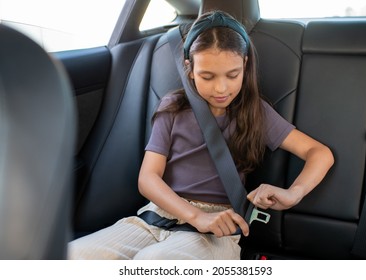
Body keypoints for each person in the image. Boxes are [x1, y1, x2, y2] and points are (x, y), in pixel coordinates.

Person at [68, 10, 334, 260]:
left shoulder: (255, 112)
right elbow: (148, 178)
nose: (221, 88)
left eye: (233, 75)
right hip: (156, 215)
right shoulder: (172, 108)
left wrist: (293, 193)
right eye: (207, 76)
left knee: (153, 264)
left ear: (245, 64)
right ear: (190, 69)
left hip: (219, 226)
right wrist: (194, 215)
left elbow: (319, 153)